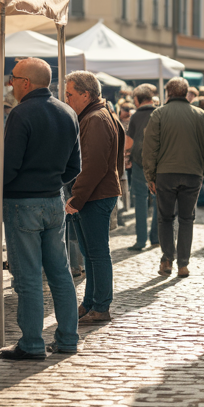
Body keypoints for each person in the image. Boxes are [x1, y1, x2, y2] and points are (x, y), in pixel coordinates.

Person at [0, 57, 81, 360]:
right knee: (60, 273)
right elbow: (74, 167)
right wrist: (51, 181)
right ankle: (68, 338)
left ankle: (32, 343)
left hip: (22, 202)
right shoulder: (67, 111)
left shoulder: (21, 113)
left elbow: (11, 165)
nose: (10, 84)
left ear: (26, 83)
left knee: (28, 277)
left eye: (13, 78)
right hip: (53, 200)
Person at [141, 77, 204, 278]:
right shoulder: (200, 115)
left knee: (165, 218)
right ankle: (183, 264)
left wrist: (150, 175)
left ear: (168, 93)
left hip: (165, 175)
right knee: (187, 219)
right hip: (192, 174)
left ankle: (167, 259)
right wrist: (203, 170)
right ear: (186, 94)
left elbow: (149, 149)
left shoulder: (159, 114)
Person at [64, 71, 124, 324]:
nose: (66, 100)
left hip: (96, 195)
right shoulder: (97, 114)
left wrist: (77, 198)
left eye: (69, 94)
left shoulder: (96, 118)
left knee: (97, 254)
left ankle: (101, 306)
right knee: (91, 253)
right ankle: (90, 304)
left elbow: (94, 165)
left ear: (85, 94)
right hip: (96, 193)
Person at [125, 83, 159, 251]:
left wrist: (127, 156)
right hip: (159, 161)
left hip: (139, 161)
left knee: (140, 199)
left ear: (137, 100)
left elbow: (129, 142)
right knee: (158, 198)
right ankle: (156, 237)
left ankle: (141, 240)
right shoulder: (160, 113)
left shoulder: (136, 116)